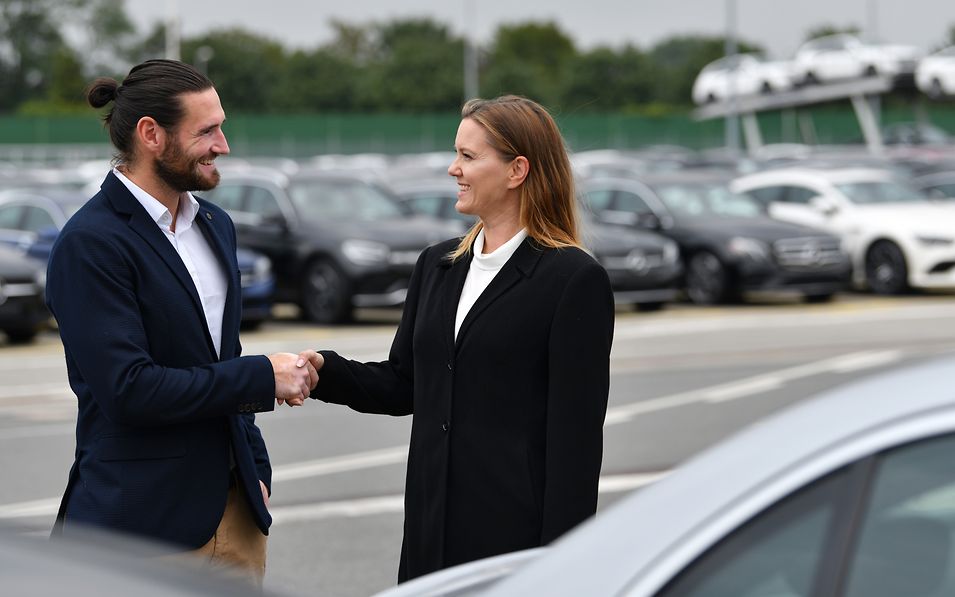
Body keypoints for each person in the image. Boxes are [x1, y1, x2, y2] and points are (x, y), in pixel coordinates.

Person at [308, 95, 615, 581]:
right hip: (430, 536)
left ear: (517, 170)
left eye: (468, 157)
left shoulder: (573, 279)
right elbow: (404, 383)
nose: (453, 169)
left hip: (512, 545)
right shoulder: (437, 265)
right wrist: (325, 372)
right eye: (457, 154)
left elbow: (575, 448)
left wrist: (561, 571)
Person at [45, 59, 320, 585]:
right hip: (140, 534)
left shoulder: (216, 226)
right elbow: (130, 390)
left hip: (236, 518)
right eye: (208, 131)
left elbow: (220, 359)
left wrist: (254, 470)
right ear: (151, 134)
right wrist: (263, 376)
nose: (224, 145)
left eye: (222, 126)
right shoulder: (91, 243)